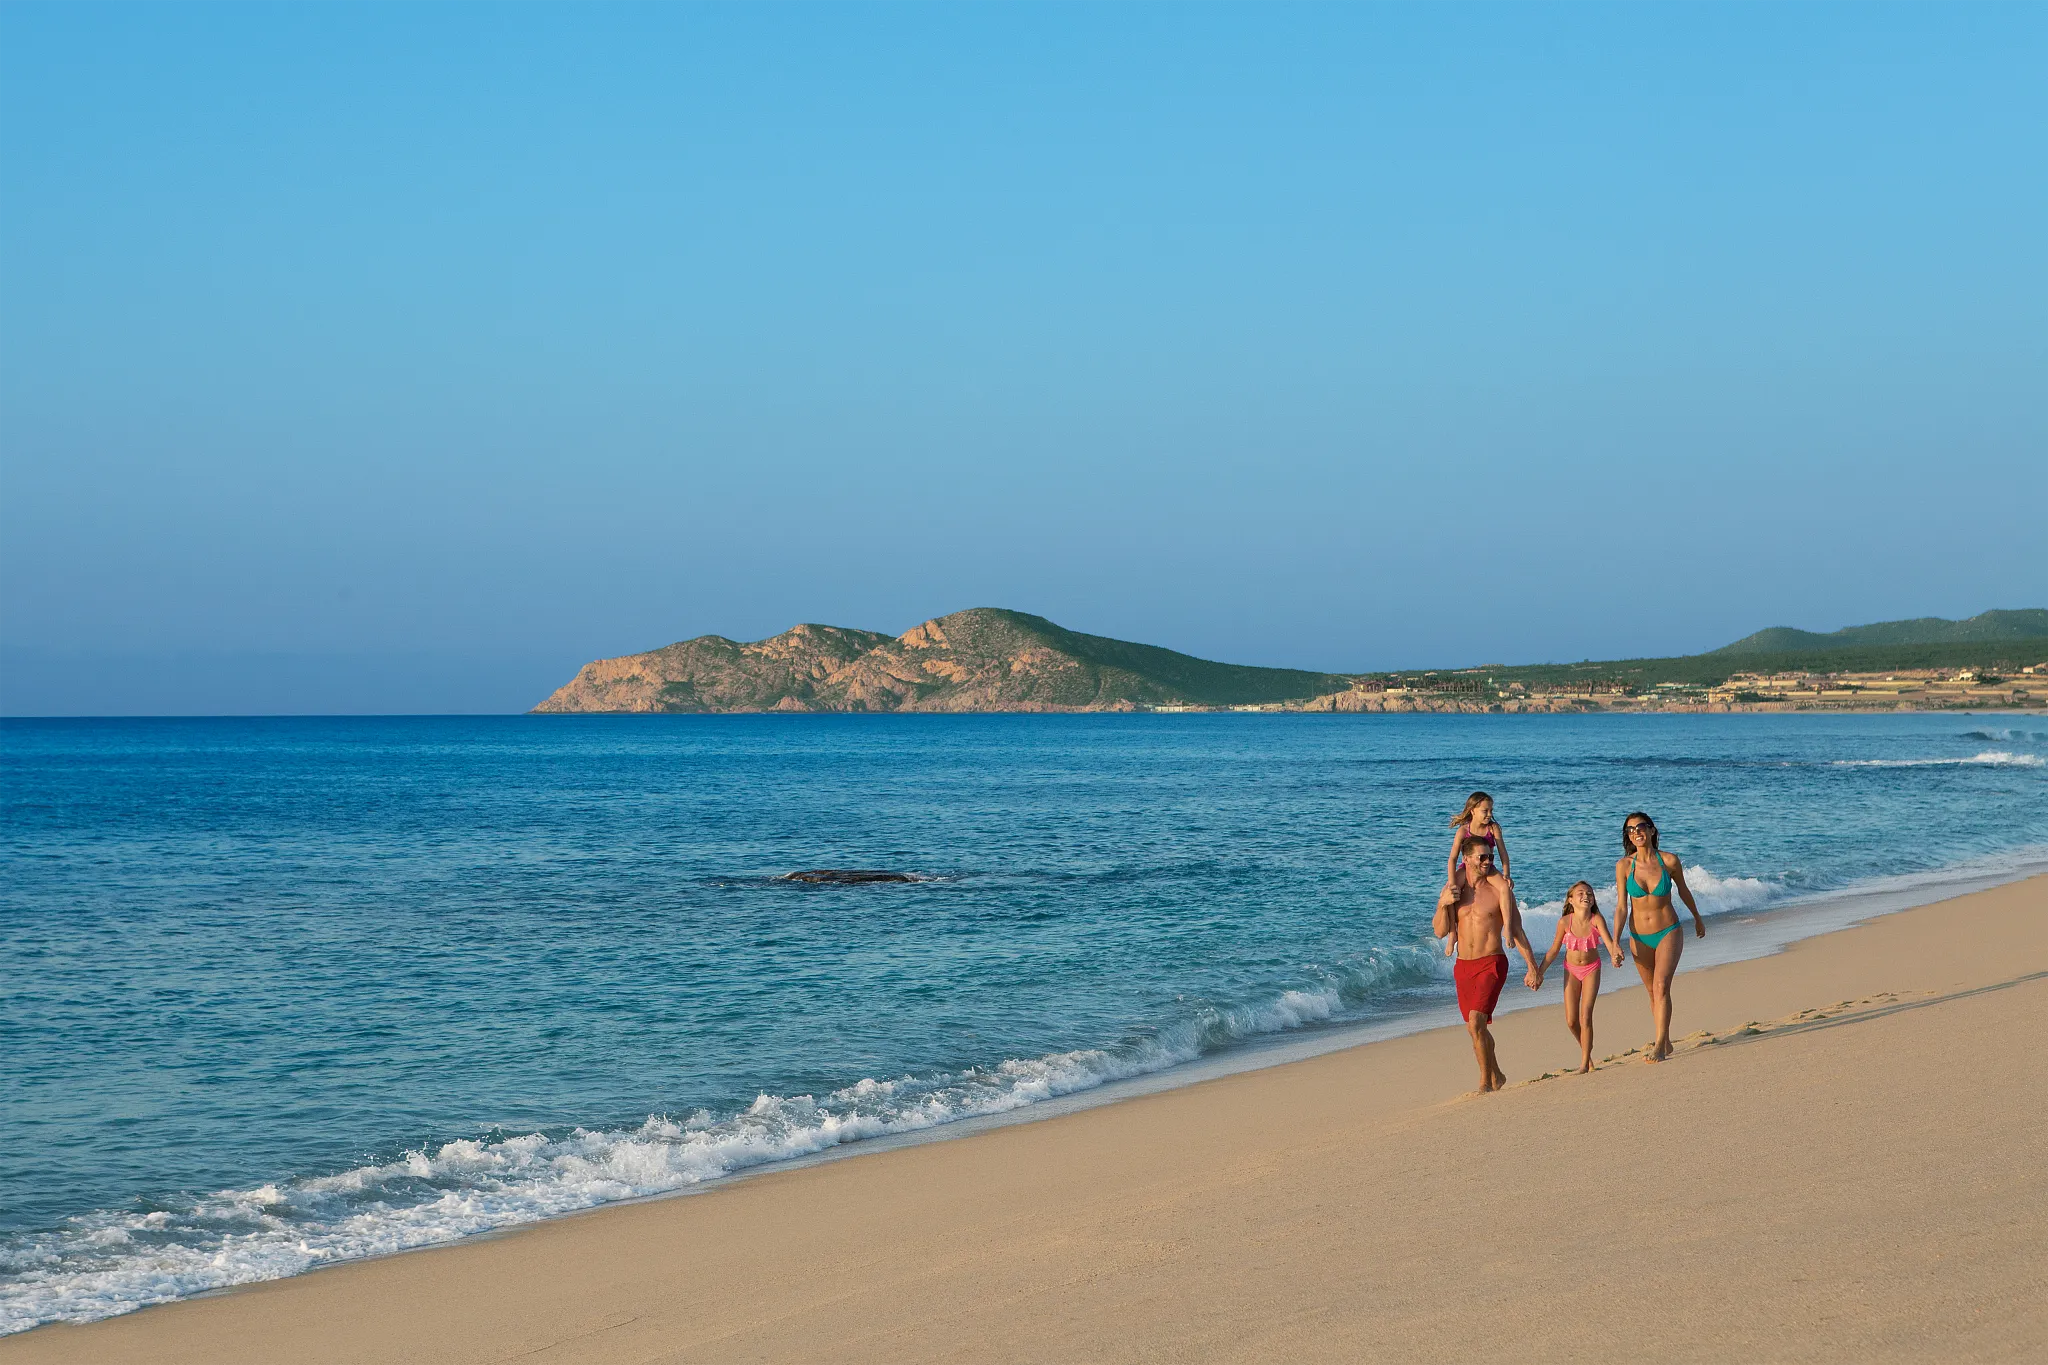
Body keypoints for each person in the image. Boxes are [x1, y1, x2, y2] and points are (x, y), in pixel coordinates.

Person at [1433, 837, 1542, 1093]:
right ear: (1467, 859)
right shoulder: (1454, 889)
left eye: (1490, 857)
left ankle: (1485, 1083)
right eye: (1482, 857)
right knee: (1475, 1029)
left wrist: (1532, 967)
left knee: (1476, 1023)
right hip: (1463, 967)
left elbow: (1516, 930)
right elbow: (1440, 931)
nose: (1488, 862)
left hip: (1492, 962)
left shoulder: (1499, 892)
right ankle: (1497, 1075)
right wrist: (1442, 903)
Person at [1613, 812, 1706, 1063]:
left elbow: (1684, 891)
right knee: (1652, 993)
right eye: (1630, 830)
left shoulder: (1669, 861)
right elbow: (1622, 907)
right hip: (1638, 937)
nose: (1636, 833)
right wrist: (1614, 942)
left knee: (1661, 985)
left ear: (1652, 831)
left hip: (1668, 931)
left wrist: (1697, 917)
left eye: (1641, 827)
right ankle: (1665, 1039)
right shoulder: (1624, 866)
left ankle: (1659, 1047)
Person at [1535, 881, 1623, 1074]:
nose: (1586, 896)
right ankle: (1587, 1053)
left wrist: (1615, 955)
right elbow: (1553, 951)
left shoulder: (1596, 919)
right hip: (1571, 970)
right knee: (1571, 1021)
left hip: (1592, 969)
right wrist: (1539, 972)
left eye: (1589, 893)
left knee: (1585, 1016)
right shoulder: (1565, 922)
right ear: (1571, 900)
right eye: (1581, 893)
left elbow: (1609, 943)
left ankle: (1584, 1063)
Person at [1441, 792, 1511, 956]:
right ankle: (1452, 934)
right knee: (1449, 894)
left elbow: (1503, 854)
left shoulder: (1493, 829)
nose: (1489, 814)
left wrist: (1506, 875)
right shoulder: (1463, 831)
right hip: (1467, 869)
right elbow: (1452, 859)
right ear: (1472, 810)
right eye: (1485, 811)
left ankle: (1507, 927)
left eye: (1491, 811)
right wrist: (1452, 882)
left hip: (1489, 868)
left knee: (1505, 889)